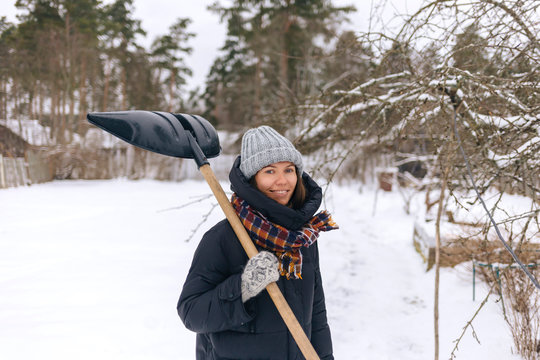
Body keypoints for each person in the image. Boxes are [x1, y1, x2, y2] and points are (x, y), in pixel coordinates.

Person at [177, 125, 338, 359]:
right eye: (270, 171)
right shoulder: (223, 238)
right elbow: (191, 313)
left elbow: (316, 313)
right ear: (252, 179)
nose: (282, 181)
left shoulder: (303, 238)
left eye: (289, 170)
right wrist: (243, 286)